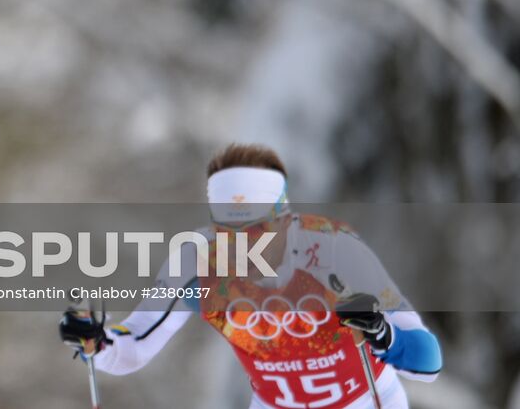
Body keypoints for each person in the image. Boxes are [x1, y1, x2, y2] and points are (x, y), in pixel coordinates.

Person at [58, 143, 442, 409]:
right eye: (228, 233)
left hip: (364, 401)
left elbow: (429, 360)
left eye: (258, 231)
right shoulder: (197, 263)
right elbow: (135, 344)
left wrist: (384, 335)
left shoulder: (336, 252)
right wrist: (96, 341)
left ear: (285, 220)